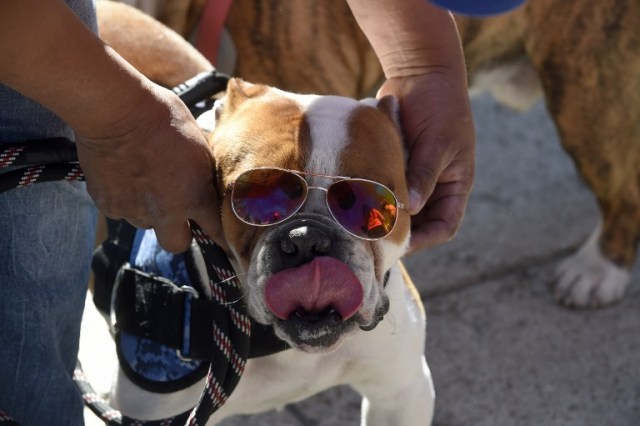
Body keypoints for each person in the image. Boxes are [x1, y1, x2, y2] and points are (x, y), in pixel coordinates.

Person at [0, 0, 520, 424]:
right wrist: (123, 124)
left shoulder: (384, 314)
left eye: (363, 207)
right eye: (263, 198)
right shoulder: (170, 316)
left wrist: (426, 66)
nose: (312, 245)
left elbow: (402, 398)